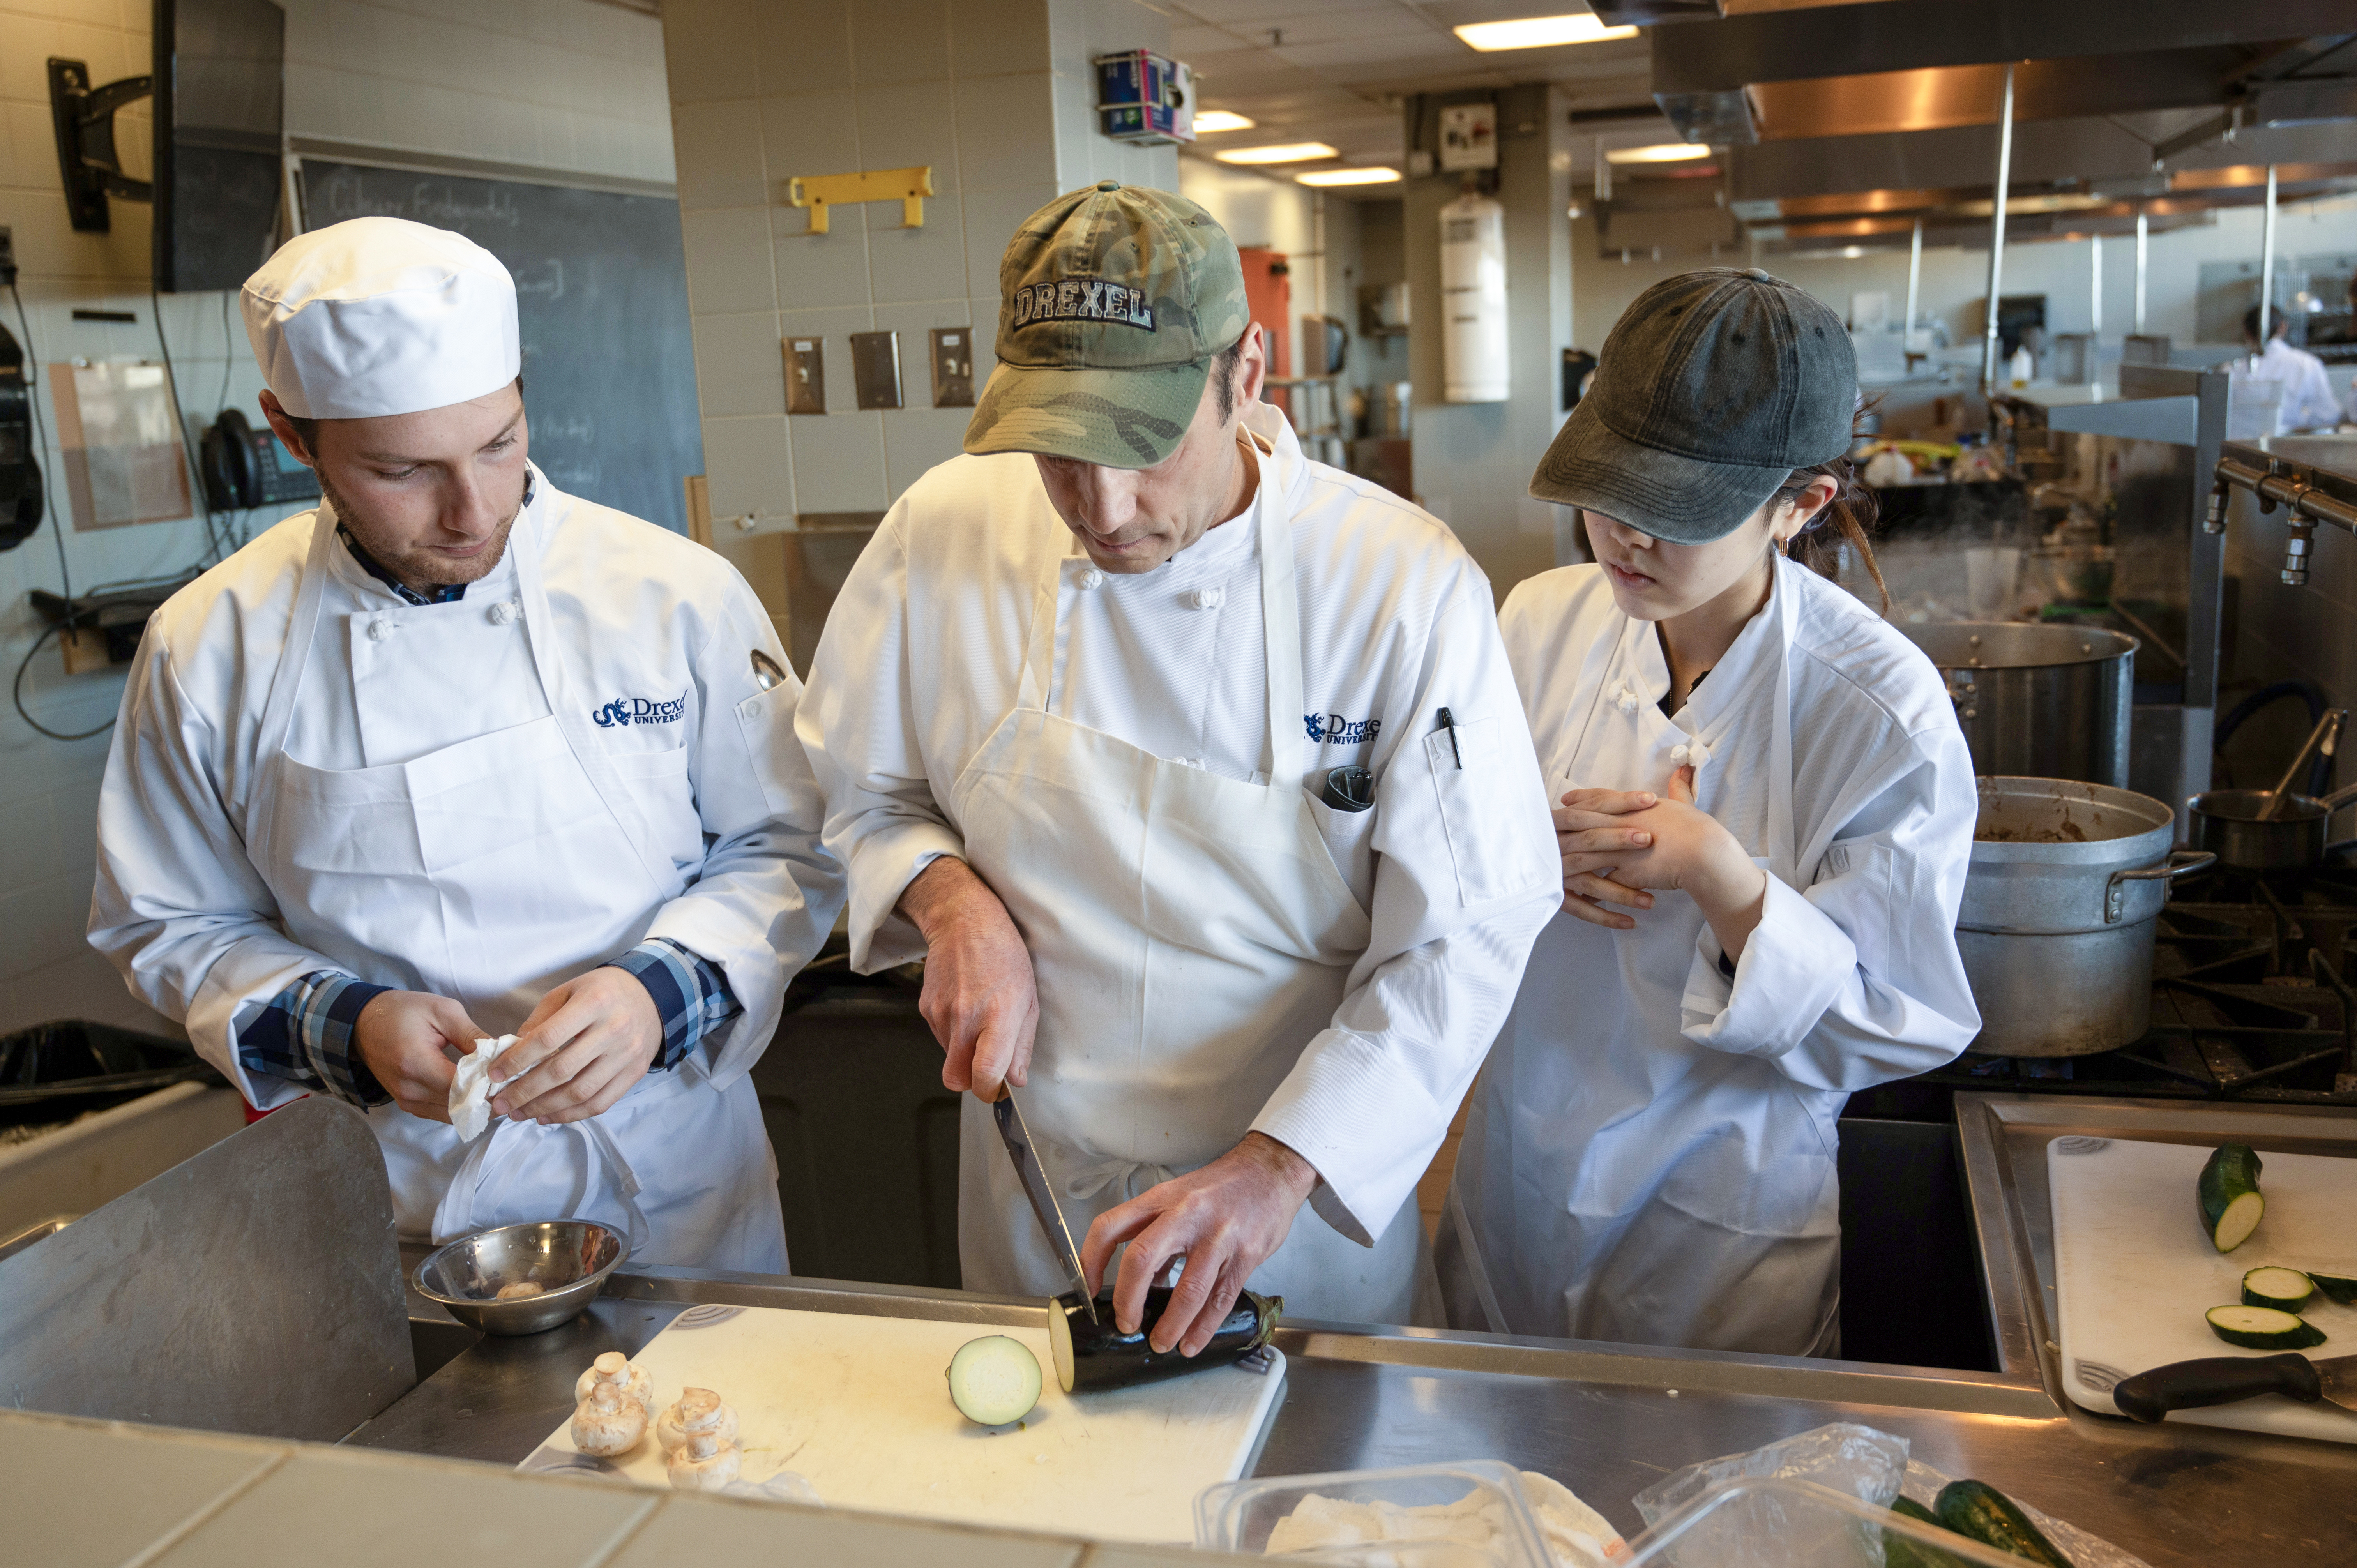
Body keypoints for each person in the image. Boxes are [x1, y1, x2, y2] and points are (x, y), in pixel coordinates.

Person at [795, 182, 1558, 1354]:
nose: (1102, 506)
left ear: (1246, 374)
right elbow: (862, 788)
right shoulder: (943, 531)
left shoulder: (1398, 584)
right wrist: (947, 902)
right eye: (1058, 451)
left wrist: (1275, 1167)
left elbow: (1465, 931)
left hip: (1292, 1209)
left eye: (1144, 446)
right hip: (1036, 1187)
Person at [89, 217, 844, 1271]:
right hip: (399, 1212)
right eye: (405, 471)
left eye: (500, 443)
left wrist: (659, 994)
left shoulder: (672, 597)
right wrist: (343, 1026)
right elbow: (167, 924)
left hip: (678, 1198)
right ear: (290, 435)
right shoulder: (211, 646)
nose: (472, 510)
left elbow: (793, 843)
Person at [1441, 268, 1981, 1357]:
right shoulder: (1537, 623)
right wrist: (1512, 850)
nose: (1627, 536)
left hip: (1717, 1219)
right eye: (1610, 490)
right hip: (1520, 1166)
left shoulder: (1880, 713)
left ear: (1801, 505)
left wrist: (1720, 876)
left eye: (1677, 511)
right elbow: (1429, 850)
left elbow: (1894, 1020)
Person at [2235, 304, 2341, 434]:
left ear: (2247, 332)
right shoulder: (2307, 364)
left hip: (2240, 448)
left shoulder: (2233, 370)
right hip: (2291, 447)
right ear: (2283, 327)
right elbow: (2329, 416)